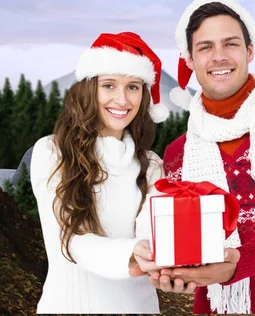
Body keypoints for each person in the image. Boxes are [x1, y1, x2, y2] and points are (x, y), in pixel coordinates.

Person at [139, 0, 255, 314]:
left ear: (249, 51)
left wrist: (236, 265)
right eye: (205, 47)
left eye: (231, 44)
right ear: (190, 59)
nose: (219, 57)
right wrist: (171, 270)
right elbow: (185, 243)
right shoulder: (178, 154)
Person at [30, 32, 185, 313]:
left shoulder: (151, 164)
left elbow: (156, 236)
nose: (122, 99)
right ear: (89, 89)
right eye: (109, 85)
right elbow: (74, 240)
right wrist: (133, 252)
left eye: (133, 87)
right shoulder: (52, 153)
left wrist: (174, 268)